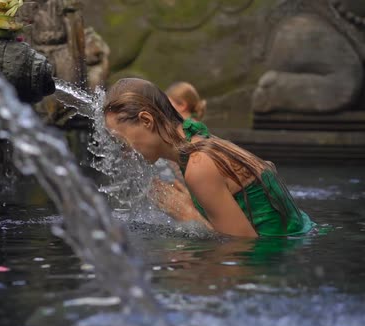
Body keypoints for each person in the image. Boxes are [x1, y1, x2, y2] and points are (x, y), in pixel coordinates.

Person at [104, 78, 315, 238]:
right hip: (300, 241)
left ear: (146, 121)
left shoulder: (199, 165)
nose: (124, 153)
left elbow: (242, 248)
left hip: (285, 258)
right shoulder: (197, 142)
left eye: (122, 143)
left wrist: (187, 214)